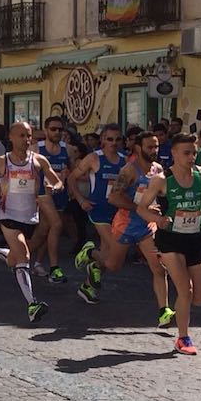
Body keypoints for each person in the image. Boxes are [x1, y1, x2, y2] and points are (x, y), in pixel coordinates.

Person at [80, 131, 174, 327]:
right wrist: (140, 209)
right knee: (113, 266)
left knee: (158, 267)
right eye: (150, 147)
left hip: (147, 226)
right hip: (126, 225)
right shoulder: (129, 170)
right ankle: (91, 253)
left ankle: (163, 310)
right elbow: (113, 198)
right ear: (138, 148)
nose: (154, 150)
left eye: (156, 146)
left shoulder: (157, 169)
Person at [0, 122, 62, 323]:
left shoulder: (39, 160)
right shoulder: (1, 162)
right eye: (22, 135)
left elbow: (56, 180)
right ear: (11, 138)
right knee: (23, 256)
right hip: (8, 215)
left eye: (29, 135)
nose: (26, 139)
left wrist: (55, 185)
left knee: (14, 259)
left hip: (30, 217)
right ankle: (32, 304)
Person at [136, 133, 201, 355]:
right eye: (186, 153)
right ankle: (183, 338)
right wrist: (157, 220)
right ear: (174, 154)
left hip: (194, 238)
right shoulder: (162, 180)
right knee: (185, 290)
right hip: (170, 239)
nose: (191, 157)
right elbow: (141, 208)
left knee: (199, 297)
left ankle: (181, 325)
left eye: (194, 153)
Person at [68, 123, 126, 295]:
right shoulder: (94, 158)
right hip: (98, 210)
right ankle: (90, 252)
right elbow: (72, 178)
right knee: (114, 254)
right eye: (109, 139)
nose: (113, 143)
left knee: (108, 253)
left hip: (117, 212)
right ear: (102, 140)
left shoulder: (124, 160)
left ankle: (88, 287)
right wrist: (81, 200)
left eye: (117, 139)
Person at [32, 116, 70, 283]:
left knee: (44, 231)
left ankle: (27, 260)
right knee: (56, 224)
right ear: (46, 130)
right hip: (42, 194)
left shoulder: (68, 149)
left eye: (60, 129)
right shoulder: (36, 149)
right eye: (53, 129)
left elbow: (72, 170)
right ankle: (55, 268)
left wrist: (67, 177)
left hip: (60, 194)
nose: (57, 132)